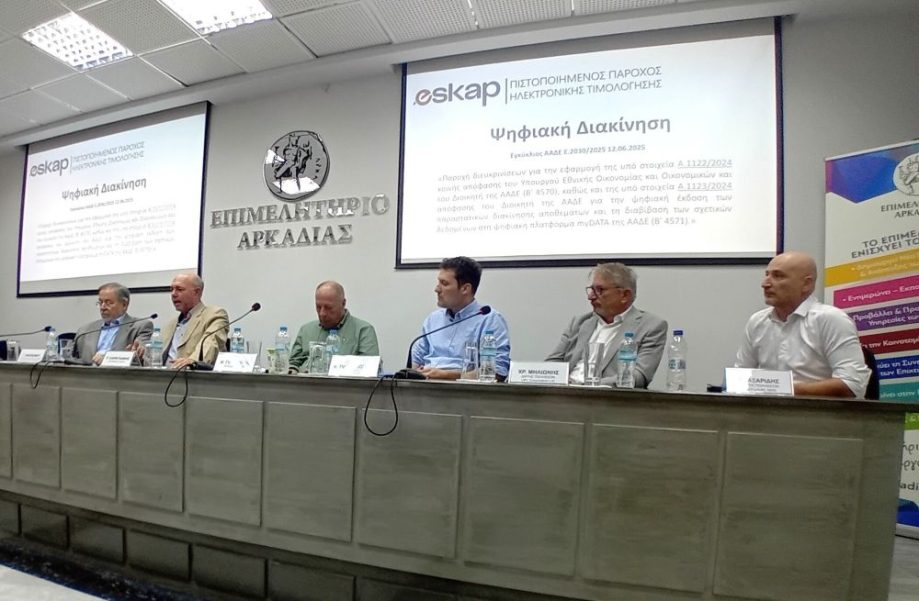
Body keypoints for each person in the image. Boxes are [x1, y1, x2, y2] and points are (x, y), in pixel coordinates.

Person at [735, 251, 870, 397]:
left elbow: (852, 384)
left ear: (806, 284)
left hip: (816, 410)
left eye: (778, 276)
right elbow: (739, 379)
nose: (765, 284)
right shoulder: (757, 321)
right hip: (766, 409)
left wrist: (785, 390)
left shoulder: (831, 319)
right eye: (767, 275)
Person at [547, 262, 667, 388]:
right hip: (564, 392)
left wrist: (588, 385)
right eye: (591, 290)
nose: (590, 297)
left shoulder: (651, 326)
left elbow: (639, 376)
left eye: (599, 290)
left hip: (607, 396)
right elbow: (552, 363)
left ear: (625, 295)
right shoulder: (580, 322)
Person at [411, 256, 510, 380]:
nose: (436, 289)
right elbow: (414, 366)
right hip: (425, 387)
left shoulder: (489, 320)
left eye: (444, 283)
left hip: (466, 390)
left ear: (465, 289)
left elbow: (497, 371)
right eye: (438, 282)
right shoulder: (432, 320)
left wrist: (446, 376)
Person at [137, 273, 228, 369]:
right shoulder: (170, 325)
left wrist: (192, 362)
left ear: (197, 292)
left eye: (179, 289)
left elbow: (210, 345)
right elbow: (154, 361)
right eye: (171, 289)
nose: (173, 294)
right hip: (163, 375)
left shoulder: (215, 315)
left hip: (190, 375)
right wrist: (139, 357)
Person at [288, 281, 380, 373]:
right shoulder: (306, 330)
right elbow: (293, 364)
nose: (322, 313)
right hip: (306, 381)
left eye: (328, 308)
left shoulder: (363, 331)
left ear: (343, 303)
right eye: (318, 307)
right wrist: (293, 370)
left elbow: (370, 368)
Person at [72, 282, 153, 365]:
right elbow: (69, 359)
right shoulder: (85, 330)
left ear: (124, 304)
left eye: (108, 303)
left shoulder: (140, 327)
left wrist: (107, 360)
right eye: (100, 302)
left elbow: (144, 359)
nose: (102, 307)